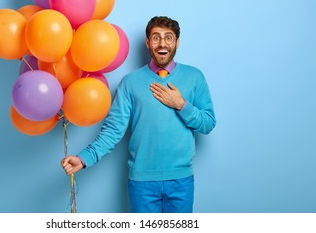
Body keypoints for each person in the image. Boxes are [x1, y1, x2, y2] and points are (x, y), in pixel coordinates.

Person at [61, 16, 216, 213]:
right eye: (156, 37)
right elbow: (112, 131)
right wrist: (83, 159)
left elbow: (208, 123)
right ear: (148, 42)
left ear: (177, 42)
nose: (162, 43)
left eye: (168, 38)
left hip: (181, 180)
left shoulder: (194, 77)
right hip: (142, 182)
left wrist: (181, 104)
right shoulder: (130, 82)